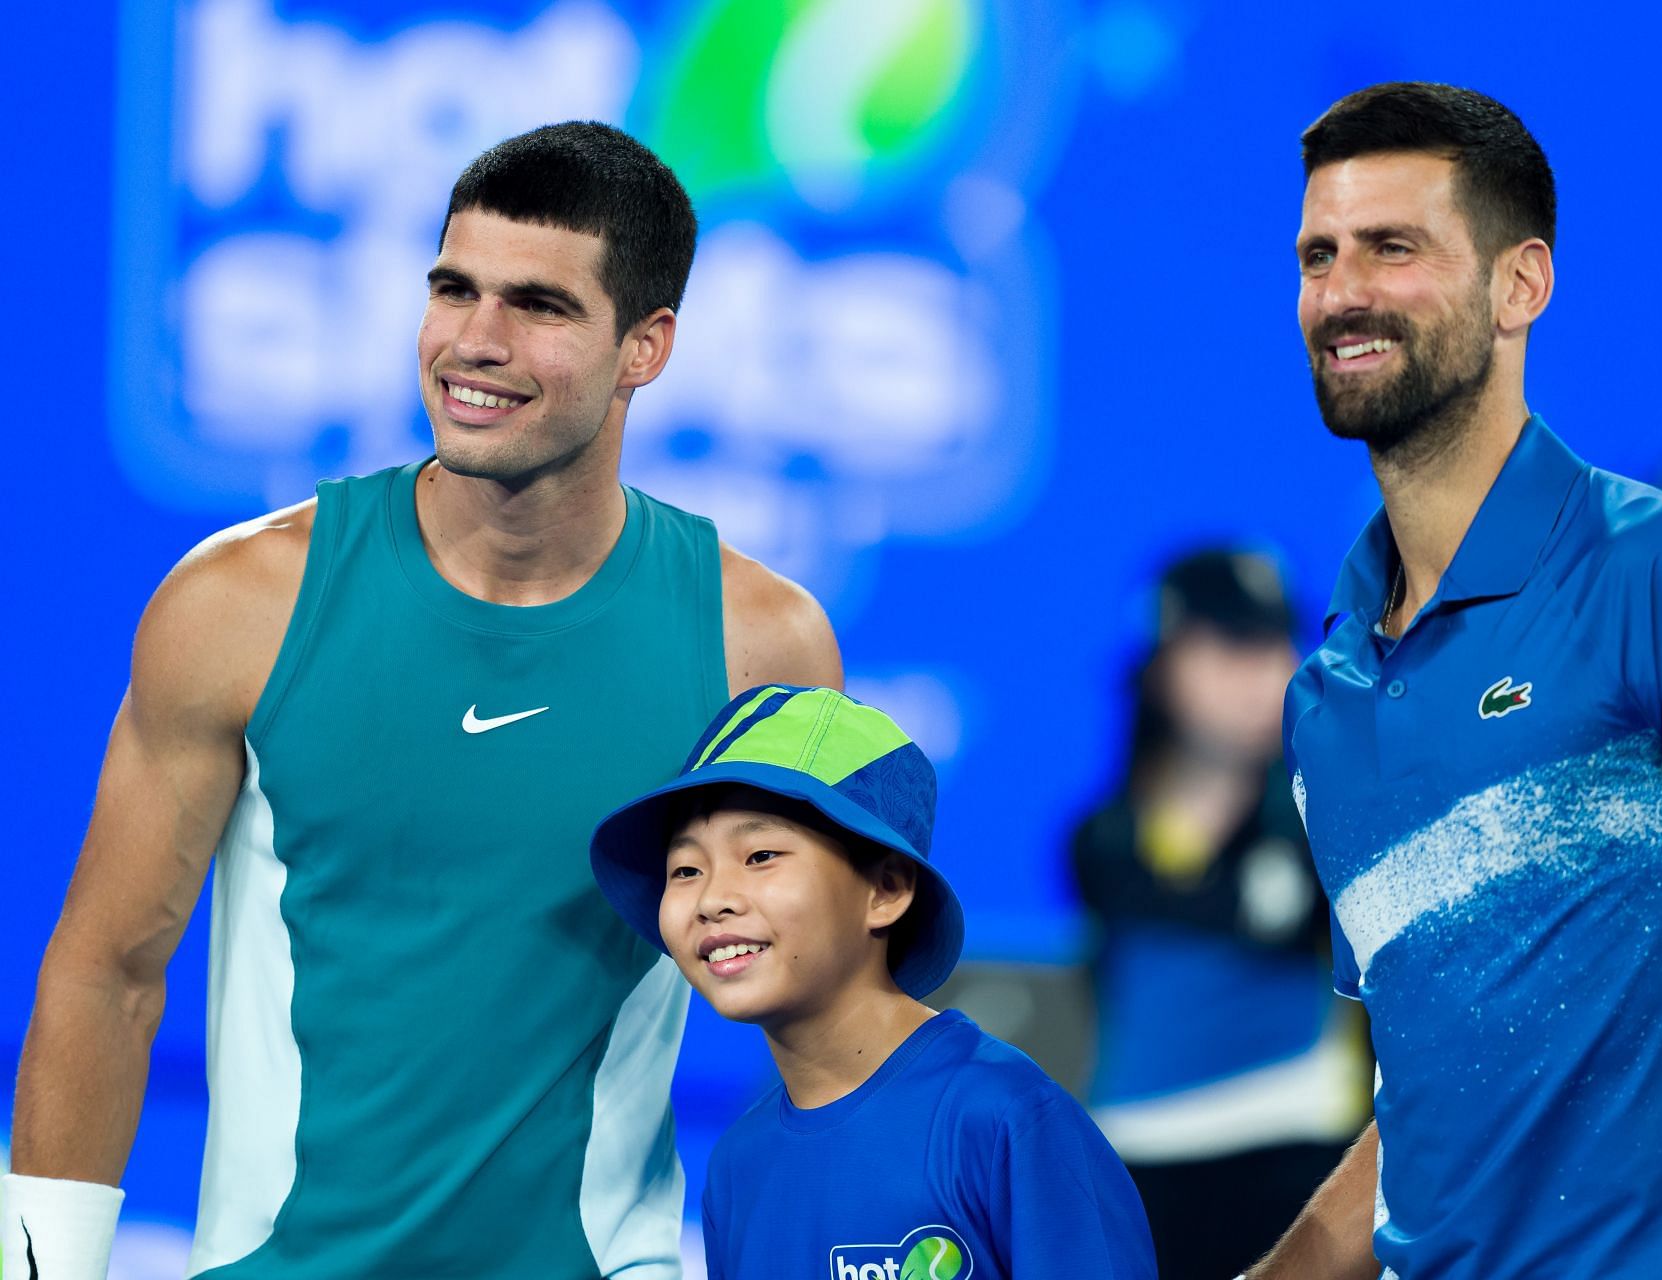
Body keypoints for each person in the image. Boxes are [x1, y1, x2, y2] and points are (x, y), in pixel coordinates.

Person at [5, 122, 840, 1280]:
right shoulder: (240, 604)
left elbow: (823, 1016)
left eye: (539, 305)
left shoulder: (760, 645)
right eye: (454, 288)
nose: (474, 343)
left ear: (645, 347)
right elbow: (107, 972)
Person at [1245, 83, 1662, 1280]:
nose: (1341, 292)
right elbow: (1439, 1090)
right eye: (1319, 255)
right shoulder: (1327, 695)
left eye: (1392, 248)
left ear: (1522, 285)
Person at [589, 684, 1157, 1279]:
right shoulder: (738, 1164)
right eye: (685, 868)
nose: (713, 899)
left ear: (886, 890)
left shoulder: (1006, 1119)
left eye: (760, 856)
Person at [1071, 548, 1367, 1278]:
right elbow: (1154, 884)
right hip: (1135, 1161)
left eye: (1276, 644)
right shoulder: (1102, 843)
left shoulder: (1334, 825)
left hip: (1295, 1153)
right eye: (1234, 645)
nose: (1269, 674)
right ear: (1165, 659)